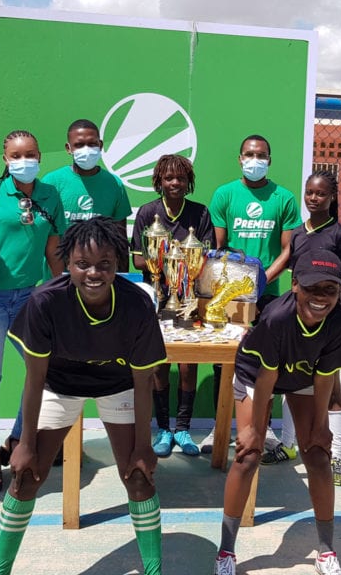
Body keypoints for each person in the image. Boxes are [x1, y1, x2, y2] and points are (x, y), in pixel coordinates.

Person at [0, 217, 167, 575]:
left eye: (104, 264)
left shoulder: (136, 305)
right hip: (61, 382)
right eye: (82, 264)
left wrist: (144, 445)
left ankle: (153, 570)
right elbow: (35, 378)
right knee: (26, 475)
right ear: (66, 264)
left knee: (137, 474)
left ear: (118, 263)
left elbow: (142, 380)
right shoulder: (45, 301)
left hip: (117, 382)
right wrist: (23, 442)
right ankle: (0, 570)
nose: (93, 273)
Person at [213, 250, 341, 575]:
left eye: (330, 290)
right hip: (257, 374)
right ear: (294, 286)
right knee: (248, 455)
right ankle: (225, 551)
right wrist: (254, 431)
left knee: (318, 455)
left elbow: (325, 377)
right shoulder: (277, 318)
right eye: (311, 288)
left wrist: (320, 426)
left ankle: (325, 550)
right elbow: (267, 378)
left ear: (340, 292)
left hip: (305, 374)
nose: (320, 297)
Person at [0, 130, 68, 493]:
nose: (23, 160)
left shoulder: (50, 195)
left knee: (42, 370)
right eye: (15, 155)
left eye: (30, 154)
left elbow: (54, 250)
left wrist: (62, 292)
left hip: (30, 297)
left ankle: (15, 438)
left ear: (40, 155)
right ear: (5, 158)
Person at [203, 134, 302, 454]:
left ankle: (264, 430)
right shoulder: (224, 195)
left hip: (268, 293)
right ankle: (219, 430)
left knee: (265, 363)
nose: (254, 159)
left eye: (260, 155)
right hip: (228, 295)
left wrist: (259, 281)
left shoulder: (284, 198)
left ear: (269, 160)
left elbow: (288, 250)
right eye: (248, 154)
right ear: (240, 158)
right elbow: (218, 248)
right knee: (223, 362)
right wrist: (236, 286)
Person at [262, 171, 341, 490]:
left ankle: (335, 456)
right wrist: (252, 281)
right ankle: (289, 445)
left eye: (320, 194)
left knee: (330, 387)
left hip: (328, 322)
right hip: (298, 321)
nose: (313, 198)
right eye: (309, 192)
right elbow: (284, 262)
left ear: (332, 197)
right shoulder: (297, 233)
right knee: (293, 379)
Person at [130, 155, 215, 457]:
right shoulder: (147, 212)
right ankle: (163, 429)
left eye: (180, 178)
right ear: (159, 181)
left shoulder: (200, 213)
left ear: (188, 181)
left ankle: (183, 429)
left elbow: (207, 257)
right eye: (168, 178)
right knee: (160, 365)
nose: (174, 183)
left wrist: (182, 265)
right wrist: (172, 260)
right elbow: (138, 259)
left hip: (189, 299)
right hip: (155, 299)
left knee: (188, 364)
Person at [40, 118, 131, 244]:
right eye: (79, 145)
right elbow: (41, 232)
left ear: (100, 145)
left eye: (92, 144)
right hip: (60, 263)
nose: (86, 149)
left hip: (99, 263)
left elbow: (120, 238)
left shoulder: (114, 184)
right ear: (68, 148)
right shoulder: (51, 182)